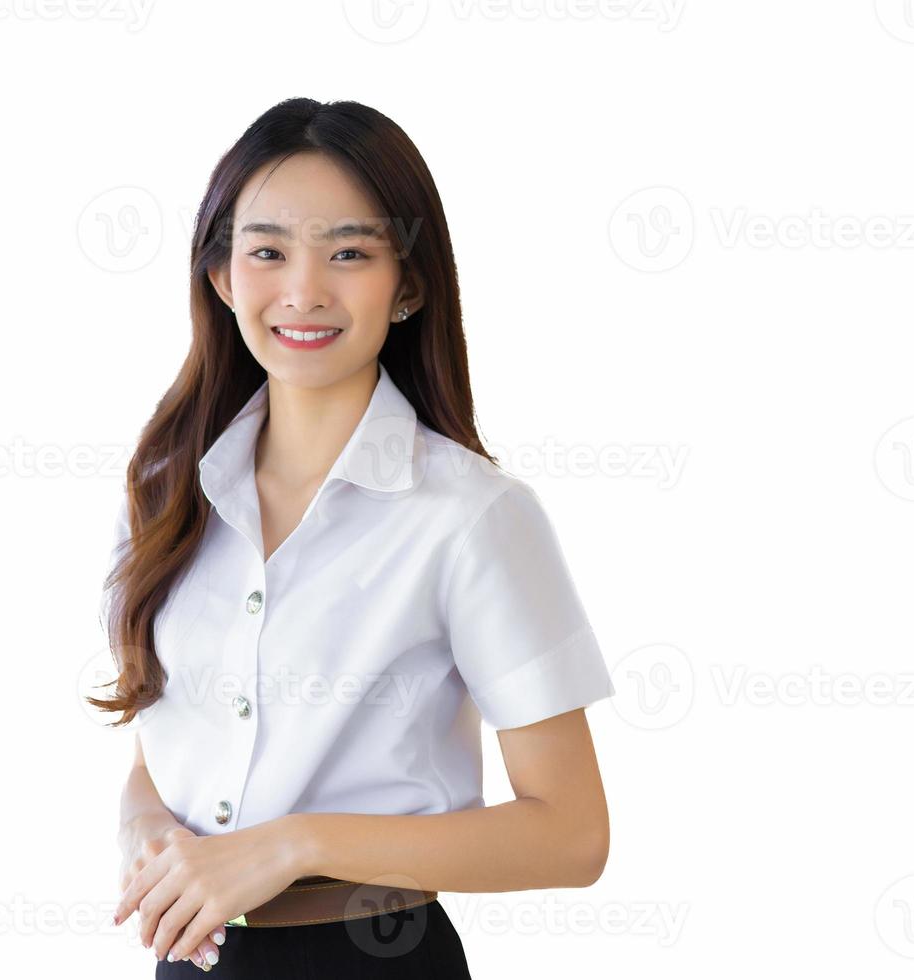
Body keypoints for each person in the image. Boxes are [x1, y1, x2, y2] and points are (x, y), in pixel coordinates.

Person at [89, 97, 616, 977]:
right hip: (195, 957)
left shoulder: (472, 516)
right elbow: (171, 749)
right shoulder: (166, 491)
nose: (303, 291)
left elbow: (572, 835)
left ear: (407, 283)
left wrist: (294, 846)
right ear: (221, 278)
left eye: (349, 253)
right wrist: (146, 831)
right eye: (267, 251)